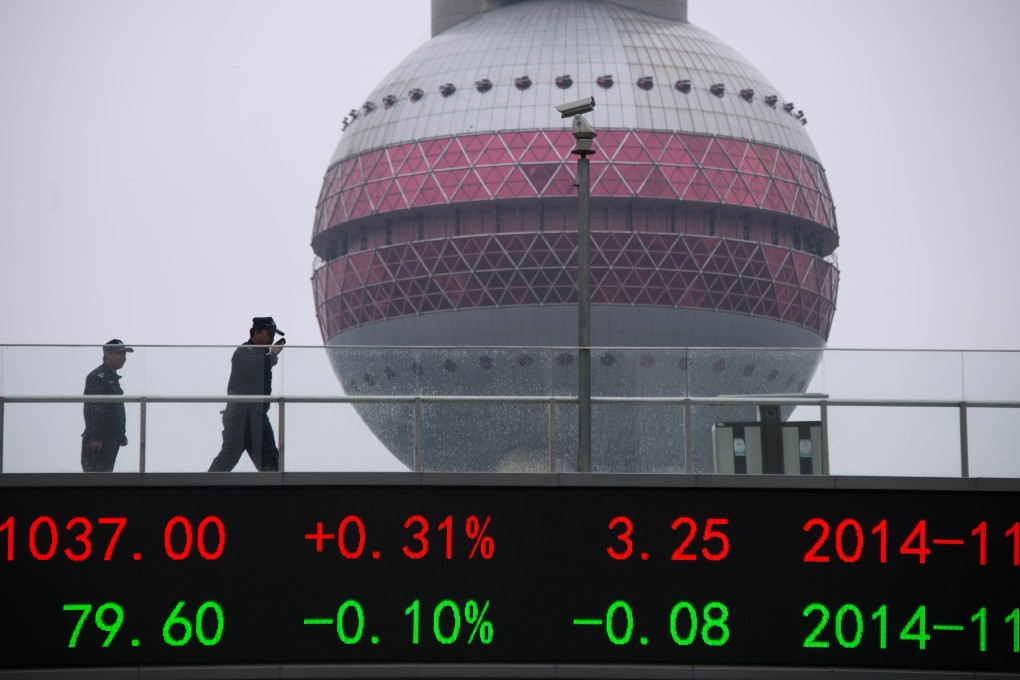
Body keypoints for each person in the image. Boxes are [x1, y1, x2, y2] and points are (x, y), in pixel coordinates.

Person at [208, 317, 286, 472]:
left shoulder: (258, 355)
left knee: (271, 463)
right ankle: (203, 489)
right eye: (269, 334)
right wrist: (272, 356)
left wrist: (270, 357)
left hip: (257, 416)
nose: (272, 338)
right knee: (228, 458)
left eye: (273, 335)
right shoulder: (243, 352)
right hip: (240, 417)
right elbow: (254, 370)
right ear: (256, 333)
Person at [81, 339, 133, 472]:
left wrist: (121, 434)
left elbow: (115, 409)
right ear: (108, 354)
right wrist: (96, 436)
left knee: (105, 477)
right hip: (99, 440)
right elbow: (94, 407)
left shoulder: (111, 377)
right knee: (96, 480)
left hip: (110, 438)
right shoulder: (97, 376)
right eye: (120, 354)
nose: (123, 357)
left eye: (124, 354)